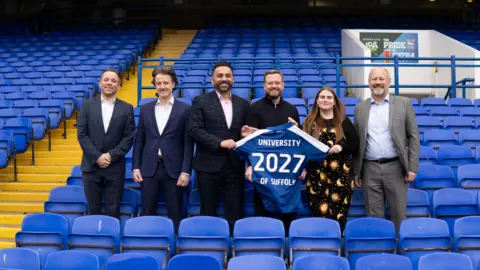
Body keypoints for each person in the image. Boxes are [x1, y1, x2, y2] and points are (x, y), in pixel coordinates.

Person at [353, 67, 419, 232]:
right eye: (374, 79)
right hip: (369, 168)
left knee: (398, 214)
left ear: (389, 81)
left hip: (396, 167)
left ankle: (399, 252)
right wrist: (356, 172)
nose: (378, 82)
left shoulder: (404, 103)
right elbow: (357, 142)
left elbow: (413, 137)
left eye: (381, 79)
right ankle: (379, 250)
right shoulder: (360, 108)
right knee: (374, 216)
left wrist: (412, 167)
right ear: (369, 83)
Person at [188, 61, 250, 232]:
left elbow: (246, 132)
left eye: (228, 76)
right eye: (220, 75)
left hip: (235, 166)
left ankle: (234, 248)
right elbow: (194, 130)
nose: (224, 79)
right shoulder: (200, 101)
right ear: (212, 79)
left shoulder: (243, 104)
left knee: (235, 212)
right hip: (208, 165)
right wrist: (219, 143)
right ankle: (210, 246)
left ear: (233, 79)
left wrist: (249, 132)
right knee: (207, 211)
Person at [132, 66, 193, 232]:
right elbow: (139, 141)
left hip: (174, 170)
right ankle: (147, 244)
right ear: (155, 85)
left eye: (166, 82)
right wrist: (136, 166)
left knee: (175, 213)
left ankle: (175, 248)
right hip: (149, 169)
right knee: (147, 212)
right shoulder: (145, 109)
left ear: (173, 84)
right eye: (158, 83)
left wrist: (186, 171)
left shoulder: (185, 109)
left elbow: (188, 143)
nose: (162, 86)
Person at [242, 70, 301, 232]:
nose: (273, 86)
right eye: (270, 83)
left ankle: (288, 247)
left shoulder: (292, 109)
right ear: (264, 86)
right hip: (263, 170)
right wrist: (250, 165)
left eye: (277, 83)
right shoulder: (254, 108)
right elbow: (250, 140)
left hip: (286, 171)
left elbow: (297, 142)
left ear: (283, 85)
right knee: (263, 212)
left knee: (287, 214)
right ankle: (265, 245)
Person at [77, 68, 136, 219]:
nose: (109, 83)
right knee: (93, 210)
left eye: (114, 81)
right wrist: (97, 156)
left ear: (119, 85)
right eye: (106, 80)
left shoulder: (127, 108)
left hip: (115, 168)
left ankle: (111, 241)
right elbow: (82, 135)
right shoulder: (86, 105)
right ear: (100, 83)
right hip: (91, 166)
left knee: (113, 209)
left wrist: (110, 156)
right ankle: (93, 241)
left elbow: (129, 137)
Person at [302, 86, 359, 231]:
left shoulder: (343, 121)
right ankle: (322, 245)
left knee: (339, 213)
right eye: (322, 97)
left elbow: (355, 143)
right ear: (316, 101)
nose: (325, 100)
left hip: (341, 174)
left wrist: (341, 147)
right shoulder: (309, 122)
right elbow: (302, 147)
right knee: (319, 212)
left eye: (329, 97)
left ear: (334, 102)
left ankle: (336, 245)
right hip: (316, 174)